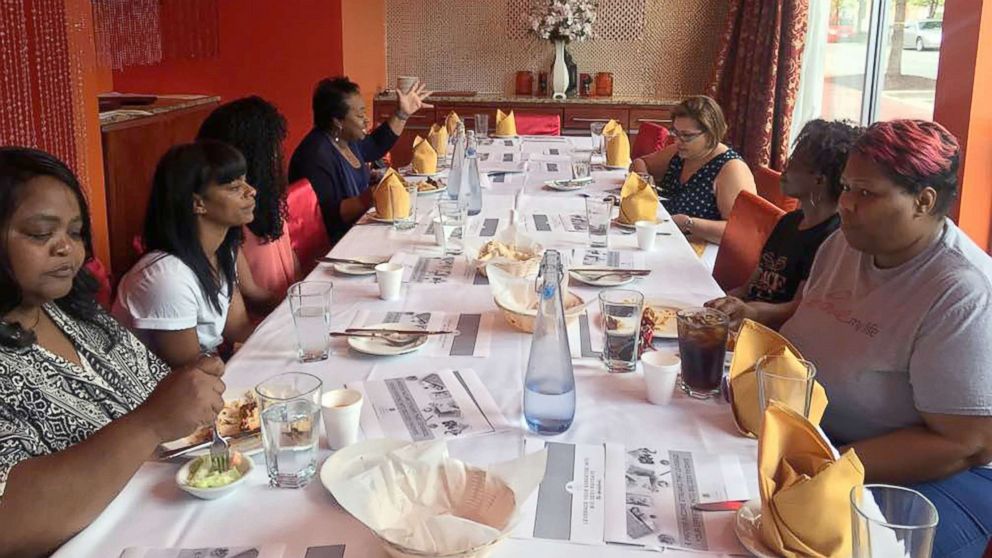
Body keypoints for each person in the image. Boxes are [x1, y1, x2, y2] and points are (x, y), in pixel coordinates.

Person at [776, 120, 992, 557]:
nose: (845, 206)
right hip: (827, 445)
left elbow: (964, 444)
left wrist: (829, 464)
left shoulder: (961, 291)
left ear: (923, 201)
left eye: (866, 193)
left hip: (939, 483)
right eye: (846, 187)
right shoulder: (841, 246)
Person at [0, 147, 224, 556]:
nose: (66, 248)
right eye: (40, 233)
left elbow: (159, 394)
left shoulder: (75, 314)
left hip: (168, 519)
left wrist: (191, 388)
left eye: (74, 232)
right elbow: (8, 521)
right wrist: (150, 424)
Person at [113, 141, 256, 367]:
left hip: (209, 373)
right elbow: (189, 372)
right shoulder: (167, 277)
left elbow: (237, 329)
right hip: (169, 391)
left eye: (245, 181)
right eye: (234, 187)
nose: (251, 191)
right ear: (198, 203)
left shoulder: (223, 251)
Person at [705, 119, 862, 325]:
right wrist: (721, 303)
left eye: (793, 163)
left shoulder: (833, 238)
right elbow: (749, 286)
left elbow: (801, 306)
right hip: (747, 321)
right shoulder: (788, 222)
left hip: (774, 332)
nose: (784, 170)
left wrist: (751, 312)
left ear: (819, 179)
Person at [288, 76, 433, 241]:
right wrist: (372, 195)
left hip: (358, 229)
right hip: (336, 244)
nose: (366, 120)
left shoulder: (347, 140)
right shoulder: (315, 156)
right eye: (359, 115)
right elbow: (327, 216)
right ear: (338, 121)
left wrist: (402, 114)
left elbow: (375, 145)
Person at [197, 96, 300, 314]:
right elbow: (250, 301)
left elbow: (292, 263)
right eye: (272, 148)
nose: (277, 155)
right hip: (263, 323)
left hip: (280, 313)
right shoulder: (226, 217)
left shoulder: (264, 201)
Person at [630, 95, 756, 244]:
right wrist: (644, 179)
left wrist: (689, 223)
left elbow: (742, 232)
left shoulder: (731, 169)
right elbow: (639, 162)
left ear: (711, 134)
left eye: (687, 136)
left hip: (701, 250)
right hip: (667, 237)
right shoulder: (679, 152)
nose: (678, 141)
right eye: (676, 133)